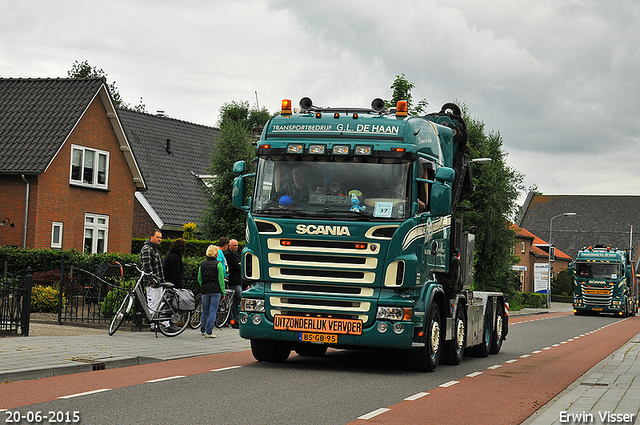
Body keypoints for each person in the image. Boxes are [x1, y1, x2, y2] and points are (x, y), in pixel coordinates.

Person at [140, 229, 174, 332]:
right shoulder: (148, 249)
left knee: (158, 303)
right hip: (152, 283)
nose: (159, 239)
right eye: (157, 237)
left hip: (158, 282)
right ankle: (154, 325)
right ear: (151, 237)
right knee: (153, 303)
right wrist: (153, 280)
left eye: (160, 237)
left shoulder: (154, 248)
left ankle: (161, 324)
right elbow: (147, 267)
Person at [198, 244, 225, 338]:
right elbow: (221, 280)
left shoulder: (202, 264)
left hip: (205, 290)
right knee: (213, 311)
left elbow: (199, 278)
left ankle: (202, 330)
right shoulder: (218, 264)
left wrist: (203, 286)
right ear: (215, 254)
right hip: (215, 290)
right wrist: (223, 292)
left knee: (205, 311)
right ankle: (209, 332)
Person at [224, 239, 242, 329]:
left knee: (235, 301)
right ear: (229, 246)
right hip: (233, 282)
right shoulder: (228, 255)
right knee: (239, 298)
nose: (236, 247)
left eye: (237, 246)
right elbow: (235, 267)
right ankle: (235, 319)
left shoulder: (236, 255)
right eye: (234, 245)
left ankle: (236, 319)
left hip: (238, 281)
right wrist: (239, 265)